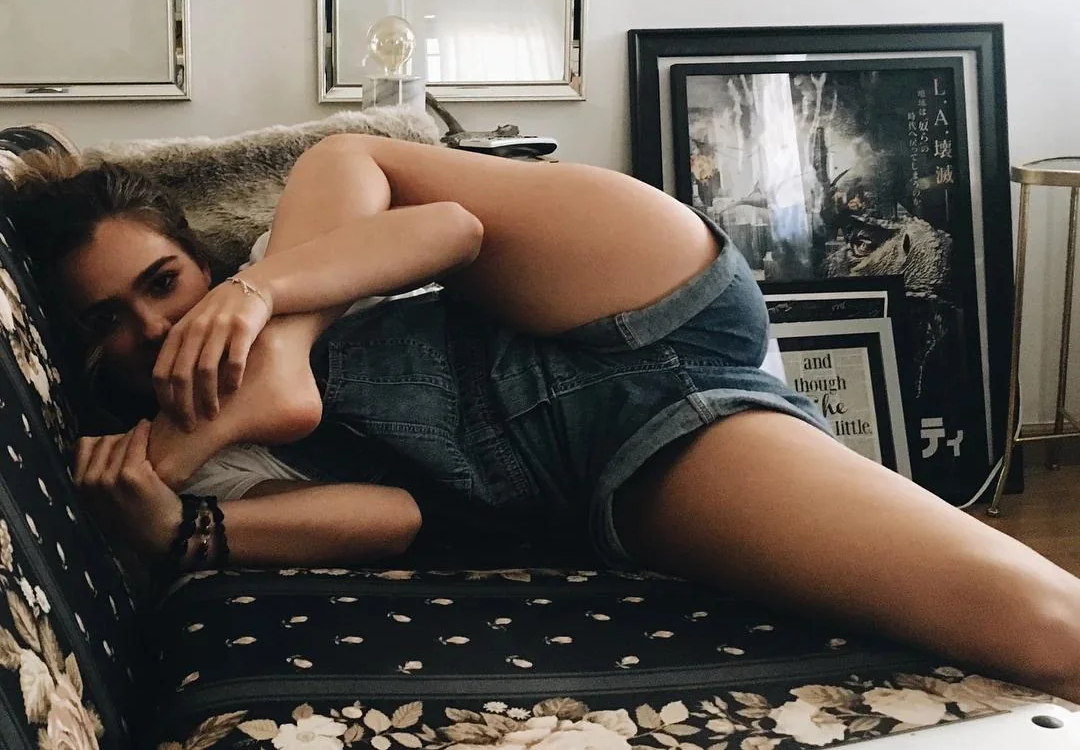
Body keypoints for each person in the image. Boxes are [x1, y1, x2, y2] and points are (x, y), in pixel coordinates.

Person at [7, 132, 1080, 704]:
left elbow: (451, 228)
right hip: (627, 449)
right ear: (84, 351)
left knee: (343, 154)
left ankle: (280, 359)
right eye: (109, 322)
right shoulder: (186, 475)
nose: (154, 326)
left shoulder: (283, 256)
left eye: (164, 281)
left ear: (198, 258)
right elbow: (394, 519)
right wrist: (177, 526)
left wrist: (265, 304)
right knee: (1048, 628)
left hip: (621, 284)